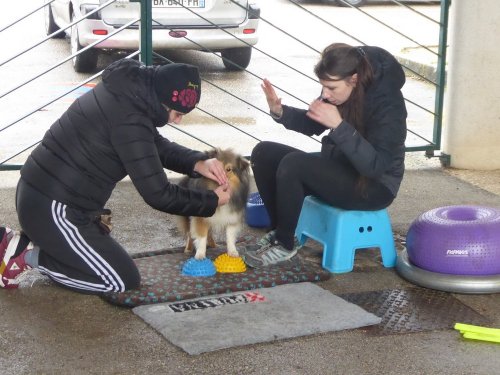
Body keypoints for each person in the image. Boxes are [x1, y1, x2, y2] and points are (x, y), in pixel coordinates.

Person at [0, 58, 232, 292]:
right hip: (54, 209)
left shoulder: (129, 93)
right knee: (119, 280)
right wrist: (212, 201)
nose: (178, 120)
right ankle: (26, 255)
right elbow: (158, 194)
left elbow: (151, 144)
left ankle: (23, 244)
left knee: (108, 266)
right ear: (163, 99)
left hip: (43, 197)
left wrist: (197, 161)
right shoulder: (130, 119)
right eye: (177, 112)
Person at [243, 43, 407, 268]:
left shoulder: (389, 105)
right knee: (264, 153)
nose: (325, 94)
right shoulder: (341, 88)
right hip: (341, 170)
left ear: (354, 79)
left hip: (374, 187)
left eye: (331, 88)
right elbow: (313, 122)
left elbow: (376, 166)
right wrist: (280, 112)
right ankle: (280, 233)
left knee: (294, 165)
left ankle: (285, 245)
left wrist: (339, 126)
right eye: (323, 87)